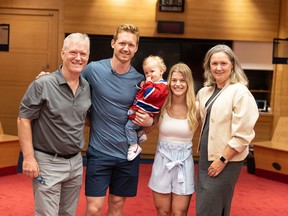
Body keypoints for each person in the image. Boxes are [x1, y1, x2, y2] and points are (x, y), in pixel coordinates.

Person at [81, 24, 153, 215]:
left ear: (136, 48)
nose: (126, 48)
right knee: (94, 208)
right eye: (122, 43)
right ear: (113, 43)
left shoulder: (140, 81)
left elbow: (151, 120)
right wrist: (47, 78)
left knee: (117, 205)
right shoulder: (93, 70)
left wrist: (150, 123)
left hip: (128, 156)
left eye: (131, 44)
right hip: (100, 153)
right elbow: (68, 83)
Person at [17, 33, 92, 215]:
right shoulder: (43, 84)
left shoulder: (86, 87)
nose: (78, 58)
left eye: (83, 53)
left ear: (88, 57)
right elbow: (23, 119)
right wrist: (28, 158)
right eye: (73, 52)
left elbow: (85, 118)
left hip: (75, 163)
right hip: (48, 162)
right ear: (62, 54)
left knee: (68, 213)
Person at [196, 44, 259, 216]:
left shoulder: (240, 92)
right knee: (211, 205)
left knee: (208, 207)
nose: (218, 68)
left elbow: (243, 135)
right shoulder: (205, 92)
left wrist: (222, 160)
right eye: (214, 63)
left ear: (232, 64)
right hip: (205, 159)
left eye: (223, 63)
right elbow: (195, 118)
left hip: (226, 160)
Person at [148, 63, 198, 216]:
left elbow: (207, 135)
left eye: (182, 80)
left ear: (188, 82)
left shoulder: (197, 108)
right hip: (162, 161)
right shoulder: (161, 104)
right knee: (162, 211)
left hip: (184, 163)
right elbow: (148, 128)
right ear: (169, 81)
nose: (178, 84)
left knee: (179, 212)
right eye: (174, 80)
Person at [125, 55, 168, 161]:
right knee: (129, 116)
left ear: (161, 71)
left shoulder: (163, 86)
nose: (149, 75)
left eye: (152, 71)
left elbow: (149, 95)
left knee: (129, 127)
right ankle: (140, 133)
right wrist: (143, 85)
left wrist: (148, 83)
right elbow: (142, 93)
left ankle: (134, 146)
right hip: (141, 109)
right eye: (146, 73)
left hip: (145, 112)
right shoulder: (153, 84)